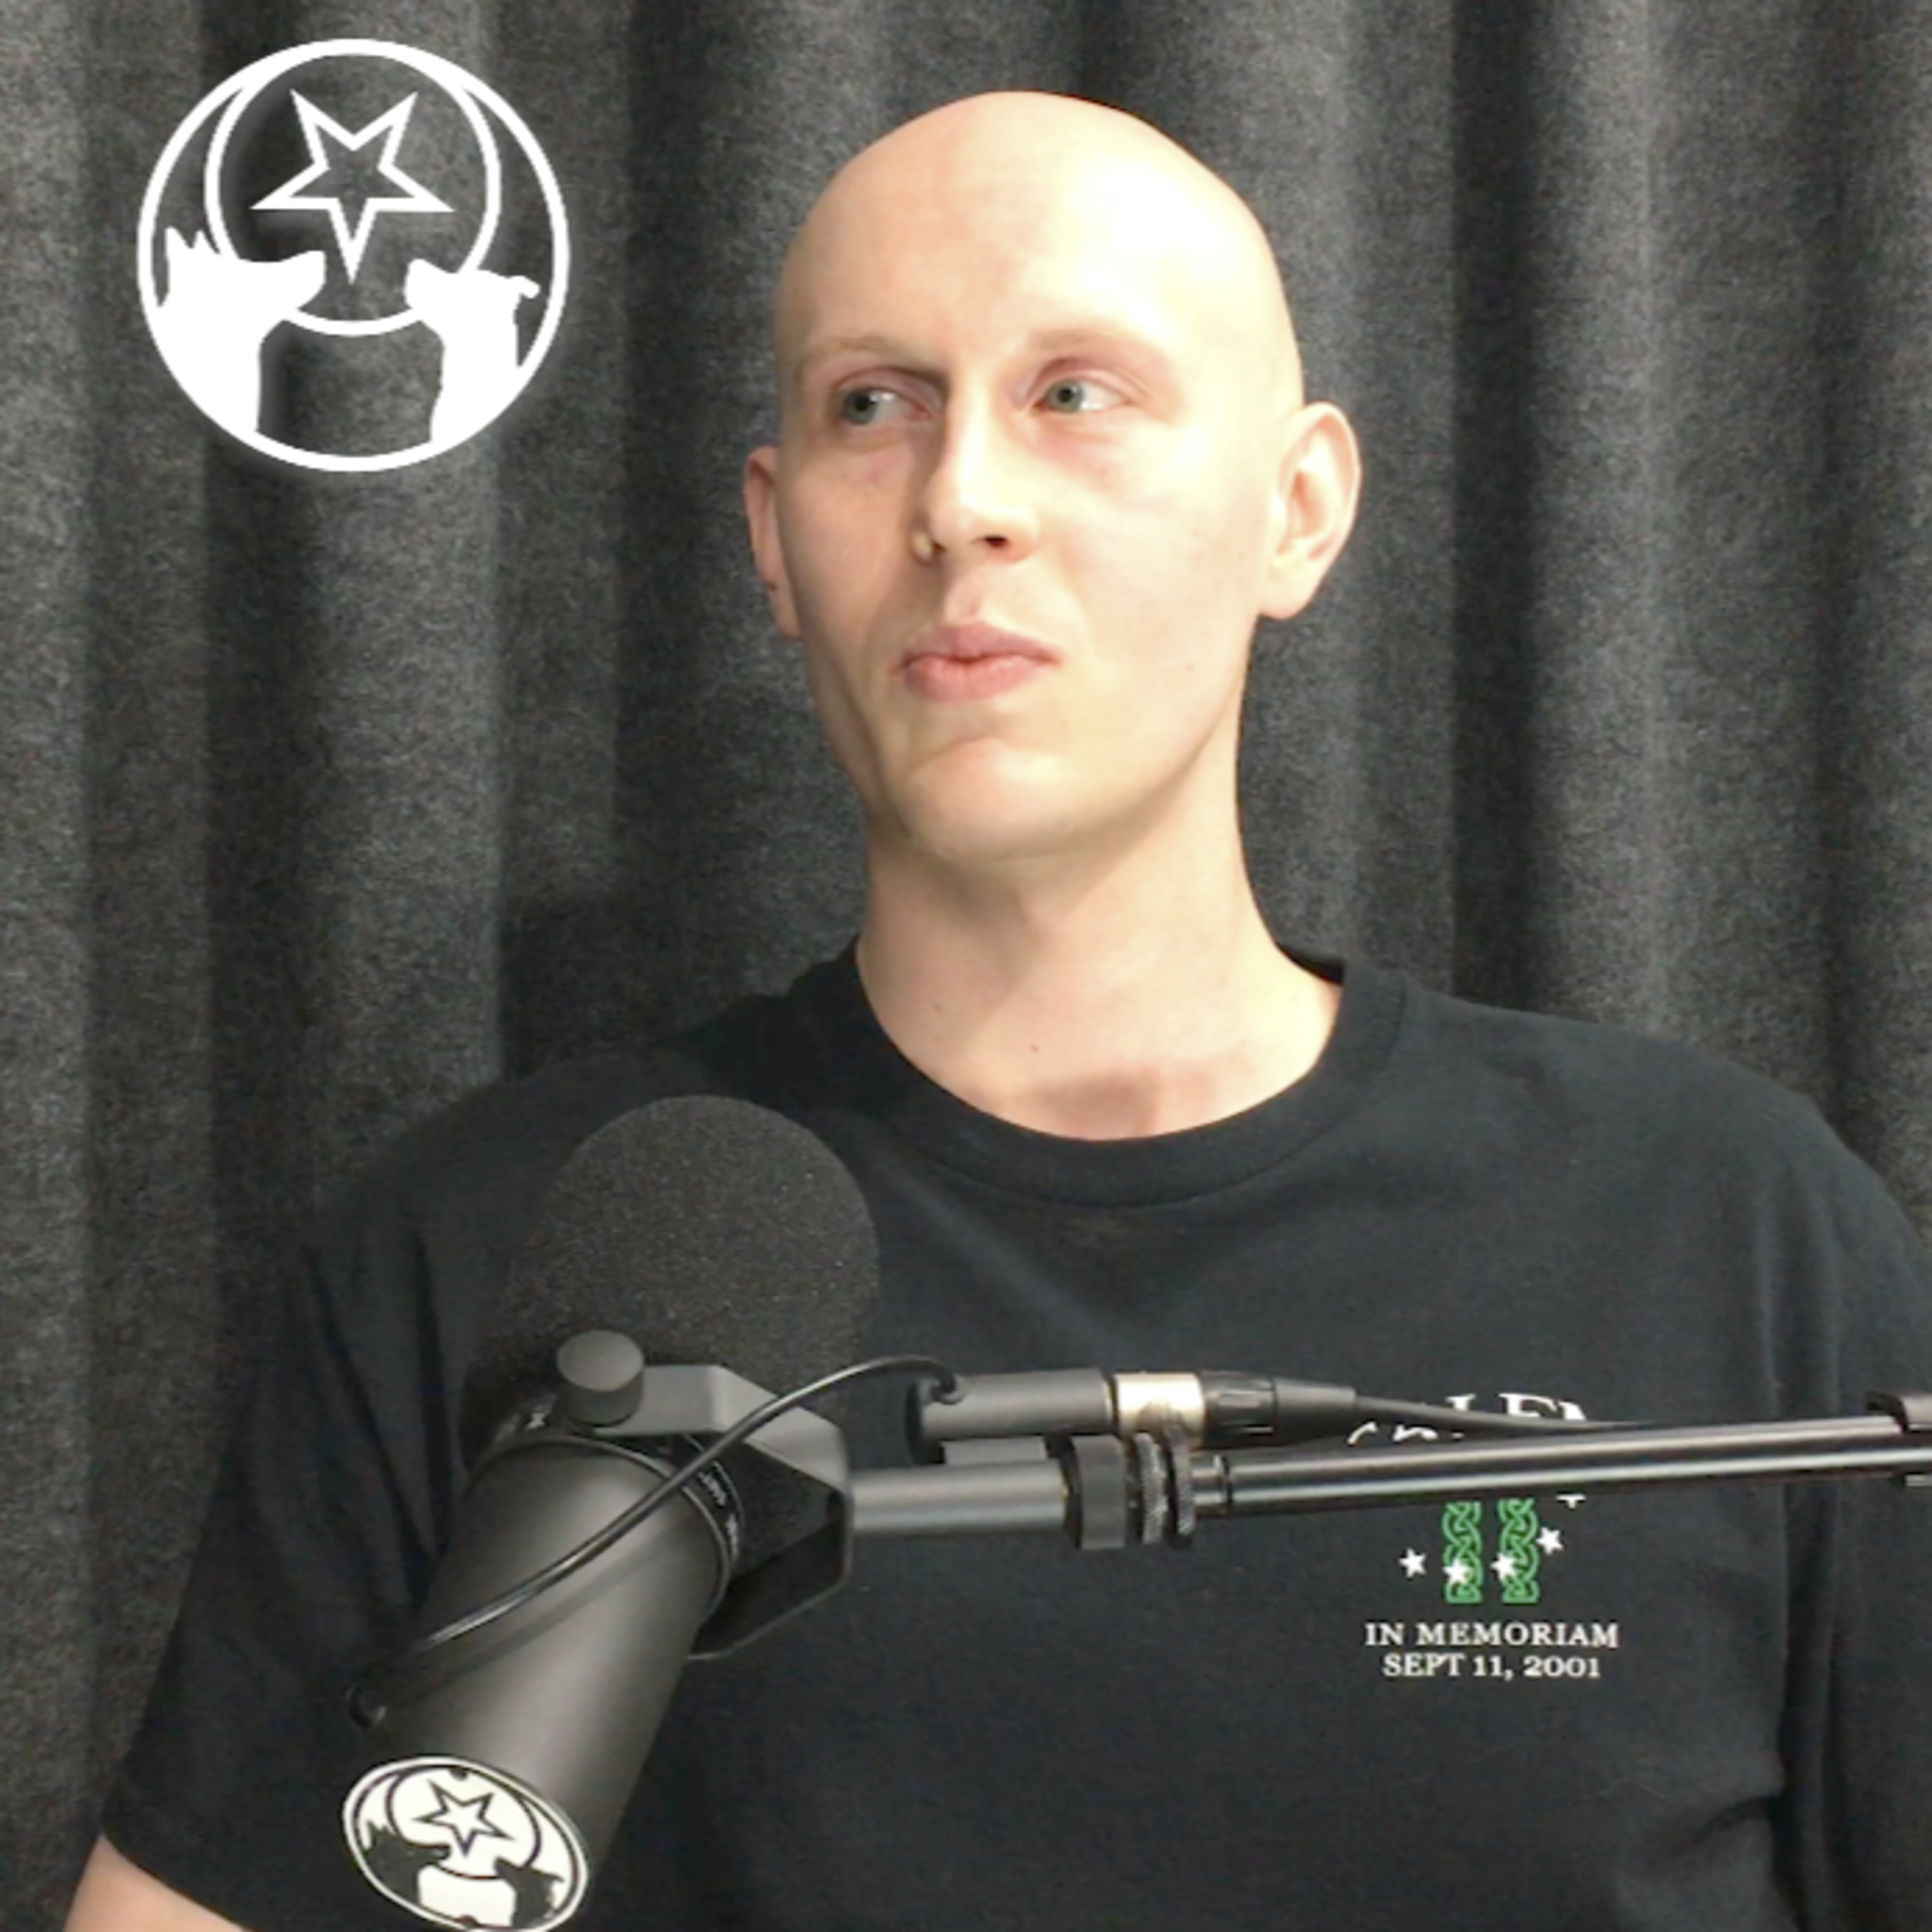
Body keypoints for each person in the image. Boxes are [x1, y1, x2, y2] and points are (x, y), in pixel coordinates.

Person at [68, 90, 1932, 1932]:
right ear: (773, 539)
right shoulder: (496, 1251)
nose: (962, 501)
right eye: (873, 407)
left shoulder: (1724, 1228)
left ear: (1297, 511)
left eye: (1077, 394)